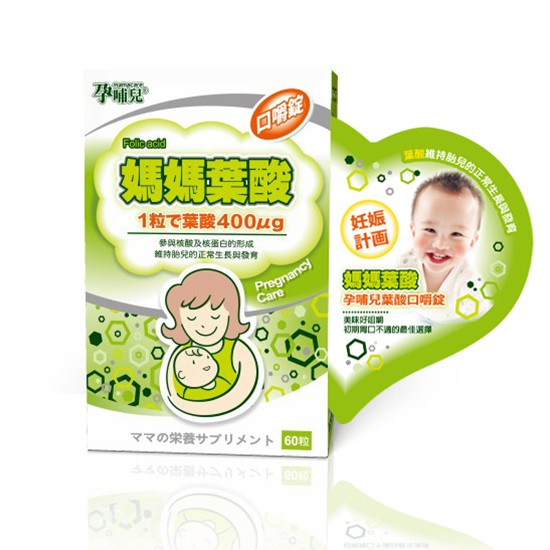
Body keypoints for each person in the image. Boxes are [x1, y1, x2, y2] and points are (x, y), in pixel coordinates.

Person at [158, 266, 261, 419]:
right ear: (180, 320)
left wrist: (194, 407)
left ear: (231, 315)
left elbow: (242, 392)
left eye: (215, 317)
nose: (204, 326)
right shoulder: (180, 354)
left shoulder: (237, 350)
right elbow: (173, 394)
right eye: (192, 318)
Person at [400, 171, 483, 294]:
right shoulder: (401, 266)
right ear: (414, 232)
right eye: (430, 230)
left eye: (456, 234)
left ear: (471, 242)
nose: (440, 245)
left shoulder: (470, 284)